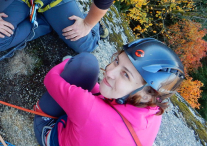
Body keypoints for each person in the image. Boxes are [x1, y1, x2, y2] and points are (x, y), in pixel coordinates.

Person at [33, 38, 185, 146]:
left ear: (147, 94)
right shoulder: (154, 111)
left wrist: (68, 63)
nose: (109, 71)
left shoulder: (89, 108)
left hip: (53, 136)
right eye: (117, 61)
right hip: (91, 129)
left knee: (85, 63)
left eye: (125, 74)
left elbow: (51, 79)